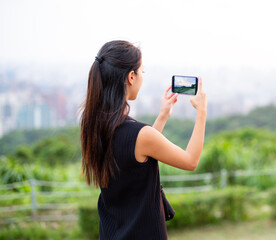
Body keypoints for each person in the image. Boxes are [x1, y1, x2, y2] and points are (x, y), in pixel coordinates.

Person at [80, 40, 207, 239]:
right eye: (142, 72)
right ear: (131, 76)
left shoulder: (96, 127)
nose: (141, 77)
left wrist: (163, 116)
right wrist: (202, 112)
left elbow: (138, 156)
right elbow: (191, 160)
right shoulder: (138, 134)